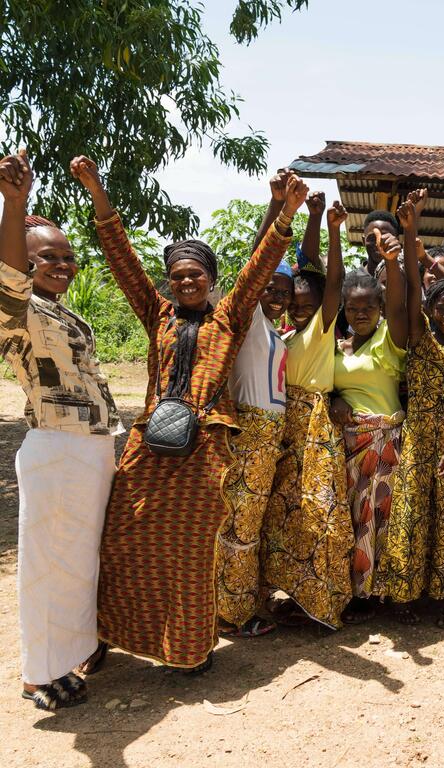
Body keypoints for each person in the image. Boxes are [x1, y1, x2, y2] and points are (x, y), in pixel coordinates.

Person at [71, 156, 300, 672]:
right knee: (120, 537)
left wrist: (285, 213)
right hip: (149, 442)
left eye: (195, 275)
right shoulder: (157, 313)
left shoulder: (230, 317)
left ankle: (191, 652)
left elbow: (259, 266)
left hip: (204, 449)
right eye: (177, 276)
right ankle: (102, 635)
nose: (186, 282)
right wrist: (97, 189)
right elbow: (121, 256)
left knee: (192, 554)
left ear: (211, 278)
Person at [1, 152, 121, 710]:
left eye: (68, 256)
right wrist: (15, 204)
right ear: (23, 264)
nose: (63, 264)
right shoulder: (19, 310)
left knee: (77, 560)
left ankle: (66, 658)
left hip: (89, 450)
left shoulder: (57, 310)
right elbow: (7, 285)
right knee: (49, 564)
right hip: (56, 448)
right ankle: (36, 675)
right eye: (47, 257)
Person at [374, 190, 444, 628]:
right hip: (415, 435)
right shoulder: (420, 338)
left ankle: (437, 594)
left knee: (442, 515)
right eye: (442, 308)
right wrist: (410, 235)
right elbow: (410, 292)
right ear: (431, 311)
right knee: (410, 513)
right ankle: (403, 596)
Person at [262, 197, 355, 630]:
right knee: (287, 513)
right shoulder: (285, 333)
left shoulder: (320, 329)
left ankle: (324, 600)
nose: (298, 306)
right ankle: (297, 593)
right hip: (285, 429)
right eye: (293, 300)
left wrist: (331, 230)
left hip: (315, 428)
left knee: (320, 511)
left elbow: (330, 279)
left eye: (307, 302)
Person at [216, 184, 298, 636]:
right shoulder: (247, 320)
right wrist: (278, 208)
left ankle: (251, 597)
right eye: (270, 288)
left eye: (284, 291)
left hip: (270, 440)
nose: (277, 296)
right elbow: (256, 263)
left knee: (254, 524)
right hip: (248, 434)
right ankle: (232, 615)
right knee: (240, 528)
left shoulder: (274, 332)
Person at [330, 226, 408, 623]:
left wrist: (392, 265)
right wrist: (334, 398)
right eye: (353, 309)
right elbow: (325, 387)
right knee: (351, 518)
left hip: (385, 444)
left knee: (379, 517)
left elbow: (399, 306)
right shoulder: (337, 348)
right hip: (347, 445)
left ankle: (379, 594)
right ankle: (355, 591)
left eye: (369, 308)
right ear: (343, 310)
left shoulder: (388, 341)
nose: (361, 315)